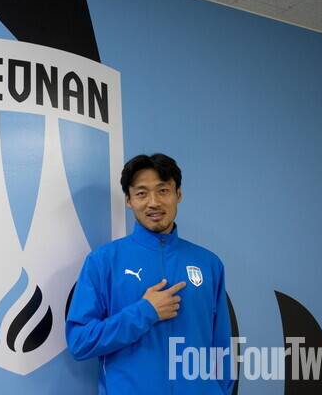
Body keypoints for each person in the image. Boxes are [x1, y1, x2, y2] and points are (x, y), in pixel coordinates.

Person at [66, 153, 234, 394]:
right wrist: (145, 312)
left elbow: (222, 346)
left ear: (178, 194)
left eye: (163, 190)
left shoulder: (209, 264)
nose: (153, 202)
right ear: (129, 200)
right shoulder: (103, 262)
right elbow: (80, 341)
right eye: (141, 193)